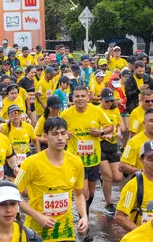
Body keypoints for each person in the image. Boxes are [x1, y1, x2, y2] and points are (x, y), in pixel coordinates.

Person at [14, 117, 88, 241]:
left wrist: (84, 216)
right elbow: (14, 194)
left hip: (66, 232)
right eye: (55, 134)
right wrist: (38, 217)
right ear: (45, 136)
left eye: (63, 134)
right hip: (36, 232)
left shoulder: (76, 162)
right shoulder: (31, 163)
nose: (60, 138)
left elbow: (79, 195)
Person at [60, 86, 113, 240]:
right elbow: (55, 129)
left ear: (88, 97)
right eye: (77, 96)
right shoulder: (66, 114)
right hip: (76, 161)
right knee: (82, 192)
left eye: (83, 96)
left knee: (90, 193)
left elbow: (110, 126)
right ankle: (85, 224)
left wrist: (101, 132)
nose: (80, 99)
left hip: (94, 159)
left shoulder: (96, 111)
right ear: (73, 98)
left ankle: (84, 214)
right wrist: (65, 134)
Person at [115, 140, 153, 231]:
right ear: (142, 160)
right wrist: (141, 233)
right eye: (151, 159)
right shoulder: (134, 185)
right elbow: (120, 217)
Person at [99, 88, 123, 215]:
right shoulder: (96, 110)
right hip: (100, 145)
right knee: (108, 176)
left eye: (111, 100)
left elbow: (118, 125)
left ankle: (102, 178)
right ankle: (108, 204)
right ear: (101, 99)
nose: (109, 103)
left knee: (118, 177)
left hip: (113, 145)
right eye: (107, 101)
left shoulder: (115, 110)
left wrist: (118, 132)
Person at [0, 105, 37, 177]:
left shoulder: (28, 126)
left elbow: (35, 141)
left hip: (25, 156)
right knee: (13, 179)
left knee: (26, 178)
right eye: (13, 114)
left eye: (18, 113)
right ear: (9, 116)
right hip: (11, 158)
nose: (16, 115)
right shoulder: (6, 127)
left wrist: (39, 154)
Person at [119, 109, 153, 175]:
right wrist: (145, 172)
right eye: (151, 121)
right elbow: (122, 166)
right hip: (144, 182)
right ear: (144, 123)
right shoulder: (133, 142)